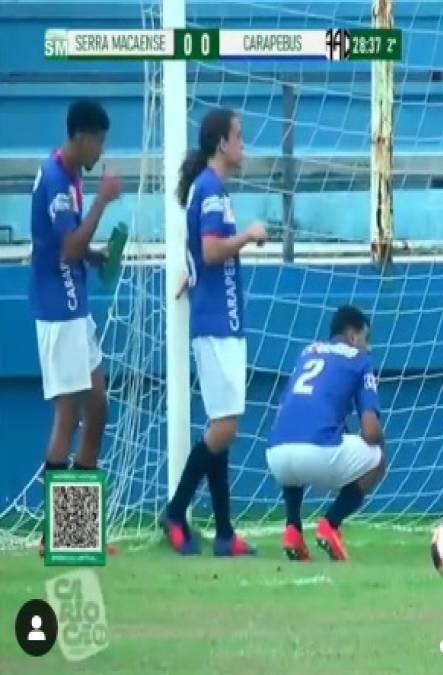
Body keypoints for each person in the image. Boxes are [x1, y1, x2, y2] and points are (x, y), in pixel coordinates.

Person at [161, 107, 266, 556]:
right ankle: (175, 510)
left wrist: (194, 273)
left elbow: (196, 256)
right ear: (221, 143)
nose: (244, 143)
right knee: (225, 426)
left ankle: (224, 533)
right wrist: (248, 236)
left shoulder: (212, 189)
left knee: (223, 422)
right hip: (217, 322)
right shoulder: (211, 190)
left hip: (223, 318)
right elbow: (208, 249)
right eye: (239, 136)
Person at [30, 99, 122, 557]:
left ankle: (77, 529)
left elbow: (62, 246)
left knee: (99, 409)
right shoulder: (56, 181)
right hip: (58, 312)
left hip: (74, 307)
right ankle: (60, 535)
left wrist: (93, 255)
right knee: (68, 416)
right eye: (99, 140)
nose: (101, 150)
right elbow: (64, 249)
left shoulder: (67, 176)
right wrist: (103, 203)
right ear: (81, 136)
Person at [266, 305, 387, 562]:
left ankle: (293, 529)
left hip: (275, 454)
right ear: (353, 336)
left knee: (300, 442)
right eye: (367, 339)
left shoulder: (307, 353)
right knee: (378, 458)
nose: (369, 347)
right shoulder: (359, 360)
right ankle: (331, 524)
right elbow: (369, 431)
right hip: (317, 452)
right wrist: (382, 442)